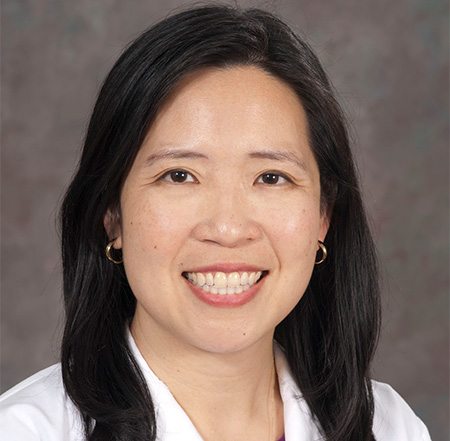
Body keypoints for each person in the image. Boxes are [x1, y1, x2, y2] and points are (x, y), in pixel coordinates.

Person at [0, 5, 432, 441]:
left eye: (271, 177)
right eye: (179, 175)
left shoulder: (389, 427)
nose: (227, 228)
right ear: (112, 215)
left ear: (323, 217)